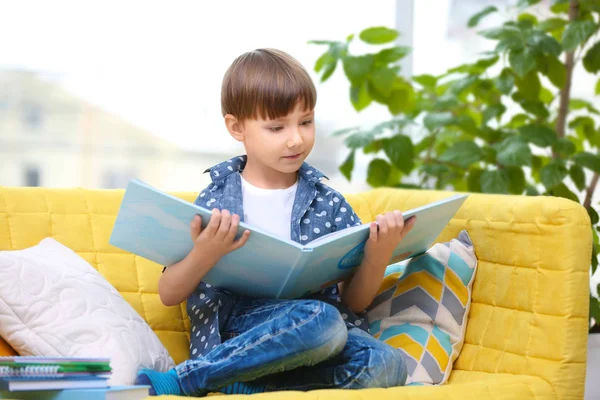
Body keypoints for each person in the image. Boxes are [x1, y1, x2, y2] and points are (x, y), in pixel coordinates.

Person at [135, 48, 416, 397]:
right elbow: (168, 293)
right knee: (321, 320)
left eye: (306, 122)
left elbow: (355, 303)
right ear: (237, 127)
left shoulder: (329, 203)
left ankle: (248, 384)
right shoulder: (216, 199)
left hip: (318, 339)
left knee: (388, 364)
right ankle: (191, 378)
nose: (296, 138)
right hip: (242, 334)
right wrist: (205, 253)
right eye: (277, 127)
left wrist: (378, 254)